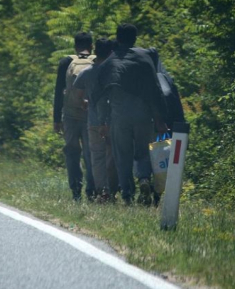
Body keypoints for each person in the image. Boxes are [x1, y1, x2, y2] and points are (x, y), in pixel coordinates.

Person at [94, 24, 167, 205]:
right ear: (135, 38)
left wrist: (102, 121)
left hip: (119, 116)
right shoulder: (144, 58)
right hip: (143, 115)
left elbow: (101, 95)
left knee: (122, 156)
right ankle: (143, 178)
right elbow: (155, 90)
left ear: (117, 38)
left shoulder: (110, 62)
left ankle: (127, 195)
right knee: (143, 152)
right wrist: (160, 118)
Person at [73, 38, 118, 202]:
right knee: (113, 156)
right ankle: (113, 191)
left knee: (97, 157)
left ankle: (102, 191)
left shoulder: (87, 71)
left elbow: (78, 95)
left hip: (93, 121)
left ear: (95, 51)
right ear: (111, 52)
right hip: (114, 121)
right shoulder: (115, 71)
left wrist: (86, 103)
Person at [53, 32, 95, 201]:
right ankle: (92, 191)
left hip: (70, 116)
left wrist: (56, 119)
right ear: (91, 46)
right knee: (91, 153)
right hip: (90, 116)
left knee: (72, 152)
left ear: (75, 46)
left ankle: (76, 190)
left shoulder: (66, 62)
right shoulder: (96, 61)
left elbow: (58, 92)